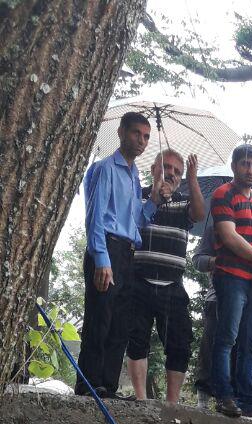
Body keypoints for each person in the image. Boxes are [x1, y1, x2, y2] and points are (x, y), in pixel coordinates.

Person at [77, 111, 163, 398]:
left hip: (128, 253)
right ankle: (88, 386)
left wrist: (154, 201)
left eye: (146, 136)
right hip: (107, 248)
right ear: (122, 133)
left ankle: (108, 386)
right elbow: (95, 218)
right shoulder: (105, 168)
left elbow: (136, 220)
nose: (142, 140)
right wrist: (102, 259)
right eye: (137, 133)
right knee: (100, 318)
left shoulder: (134, 175)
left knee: (120, 322)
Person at [126, 149, 205, 403]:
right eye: (165, 167)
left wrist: (193, 178)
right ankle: (140, 399)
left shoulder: (184, 202)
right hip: (140, 279)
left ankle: (172, 403)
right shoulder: (138, 196)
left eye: (177, 171)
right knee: (137, 339)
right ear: (153, 169)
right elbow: (132, 224)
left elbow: (200, 214)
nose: (170, 173)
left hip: (172, 284)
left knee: (180, 344)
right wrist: (155, 199)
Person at [209, 144, 252, 418]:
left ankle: (248, 401)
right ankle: (224, 395)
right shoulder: (223, 194)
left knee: (251, 343)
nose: (250, 170)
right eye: (245, 164)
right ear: (234, 165)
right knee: (227, 337)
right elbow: (229, 236)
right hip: (231, 277)